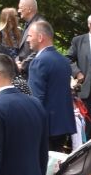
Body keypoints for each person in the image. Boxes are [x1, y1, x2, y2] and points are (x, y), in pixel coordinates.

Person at [24, 21, 77, 152]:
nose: (27, 39)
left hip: (46, 126)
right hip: (62, 124)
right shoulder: (63, 60)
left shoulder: (39, 62)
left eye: (30, 35)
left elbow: (36, 99)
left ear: (40, 37)